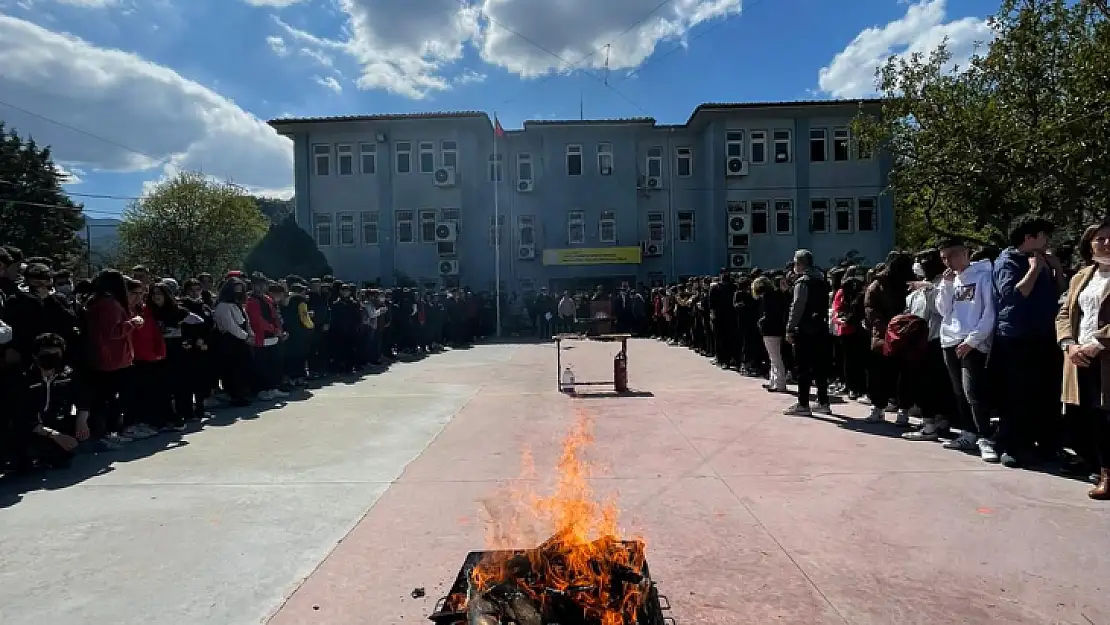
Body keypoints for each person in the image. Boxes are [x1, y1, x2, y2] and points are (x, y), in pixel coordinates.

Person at [992, 215, 1066, 467]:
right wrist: (1033, 270)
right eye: (1044, 236)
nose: (1047, 241)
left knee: (1046, 394)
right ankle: (1012, 445)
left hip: (1045, 334)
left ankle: (1047, 445)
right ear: (1029, 238)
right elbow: (1014, 294)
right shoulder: (1008, 261)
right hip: (1017, 336)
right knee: (1017, 394)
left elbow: (1061, 293)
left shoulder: (1045, 260)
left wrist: (1056, 269)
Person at [1055, 220, 1110, 500]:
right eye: (1099, 239)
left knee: (1106, 416)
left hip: (1104, 354)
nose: (1105, 243)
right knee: (1090, 416)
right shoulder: (1082, 276)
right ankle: (1100, 468)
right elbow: (1064, 314)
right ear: (1090, 245)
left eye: (1109, 238)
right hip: (1079, 357)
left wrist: (1097, 343)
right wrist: (1069, 344)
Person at [935, 238, 998, 462]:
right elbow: (943, 310)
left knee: (974, 391)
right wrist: (946, 285)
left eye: (951, 255)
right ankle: (968, 432)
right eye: (943, 258)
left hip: (972, 341)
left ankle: (985, 436)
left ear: (965, 253)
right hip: (950, 339)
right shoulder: (952, 279)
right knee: (959, 390)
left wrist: (974, 340)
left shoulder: (983, 275)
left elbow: (989, 312)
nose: (948, 261)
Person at [14, 333, 89, 469]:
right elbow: (21, 416)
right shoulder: (23, 378)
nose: (51, 360)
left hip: (58, 423)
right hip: (33, 429)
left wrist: (81, 421)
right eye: (46, 355)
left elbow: (83, 399)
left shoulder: (68, 375)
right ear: (35, 356)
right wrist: (55, 435)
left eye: (56, 355)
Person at [783, 249, 832, 416]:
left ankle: (803, 404)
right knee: (820, 367)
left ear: (800, 263)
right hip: (821, 327)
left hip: (805, 329)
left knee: (803, 367)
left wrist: (790, 327)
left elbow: (797, 307)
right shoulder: (822, 280)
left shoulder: (802, 282)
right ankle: (823, 401)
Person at [752, 276, 787, 392]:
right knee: (775, 357)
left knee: (775, 357)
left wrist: (761, 321)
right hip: (778, 328)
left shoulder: (767, 297)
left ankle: (779, 383)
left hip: (770, 329)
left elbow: (768, 314)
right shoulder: (778, 294)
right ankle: (774, 381)